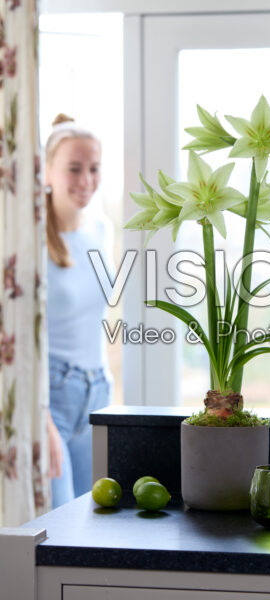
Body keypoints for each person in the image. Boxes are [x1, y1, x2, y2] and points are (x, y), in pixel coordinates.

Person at [45, 114, 113, 508]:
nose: (85, 180)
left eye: (93, 168)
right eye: (74, 169)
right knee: (56, 523)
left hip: (98, 393)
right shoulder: (29, 241)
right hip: (52, 397)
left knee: (94, 521)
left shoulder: (101, 230)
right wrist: (40, 416)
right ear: (47, 170)